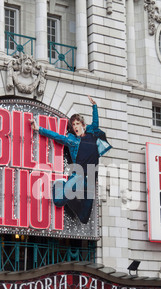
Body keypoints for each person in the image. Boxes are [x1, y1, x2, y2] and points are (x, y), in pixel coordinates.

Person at [30, 96, 112, 224]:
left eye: (78, 124)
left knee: (84, 218)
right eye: (73, 125)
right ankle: (60, 184)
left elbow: (95, 123)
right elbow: (56, 136)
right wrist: (39, 128)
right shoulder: (72, 140)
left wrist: (94, 106)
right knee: (58, 201)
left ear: (83, 125)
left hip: (90, 179)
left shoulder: (92, 134)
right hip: (78, 176)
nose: (75, 127)